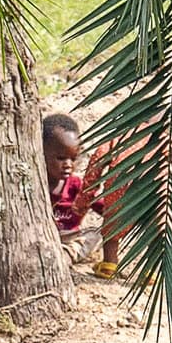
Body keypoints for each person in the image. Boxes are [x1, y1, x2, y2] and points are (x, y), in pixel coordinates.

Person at [41, 112, 118, 277]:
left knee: (94, 233)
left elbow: (102, 207)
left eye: (73, 159)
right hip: (42, 237)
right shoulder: (36, 184)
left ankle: (65, 257)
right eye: (61, 158)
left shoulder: (76, 185)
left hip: (69, 239)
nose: (68, 165)